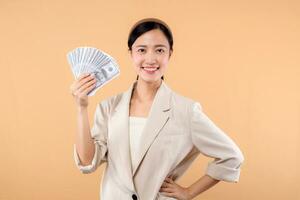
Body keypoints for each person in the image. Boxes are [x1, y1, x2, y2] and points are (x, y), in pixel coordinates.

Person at [70, 18, 244, 200]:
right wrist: (81, 108)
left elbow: (232, 156)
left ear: (170, 54)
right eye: (142, 50)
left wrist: (189, 192)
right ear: (131, 54)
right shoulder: (108, 107)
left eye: (160, 50)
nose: (150, 59)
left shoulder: (186, 110)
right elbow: (87, 162)